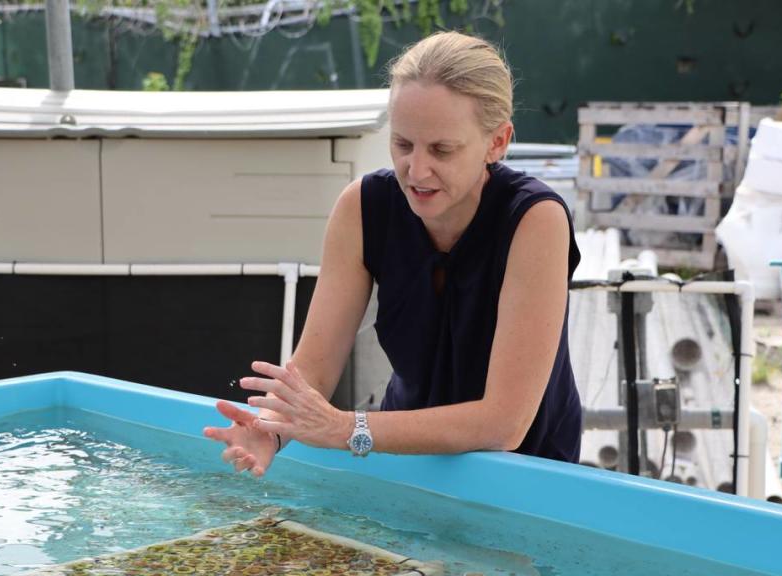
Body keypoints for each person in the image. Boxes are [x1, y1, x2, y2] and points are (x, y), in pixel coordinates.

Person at [204, 31, 581, 475]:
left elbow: (503, 424)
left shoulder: (536, 220)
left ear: (497, 142)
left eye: (442, 149)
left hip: (531, 476)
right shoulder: (362, 207)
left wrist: (347, 429)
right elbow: (314, 373)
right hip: (402, 461)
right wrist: (271, 430)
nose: (416, 170)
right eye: (402, 144)